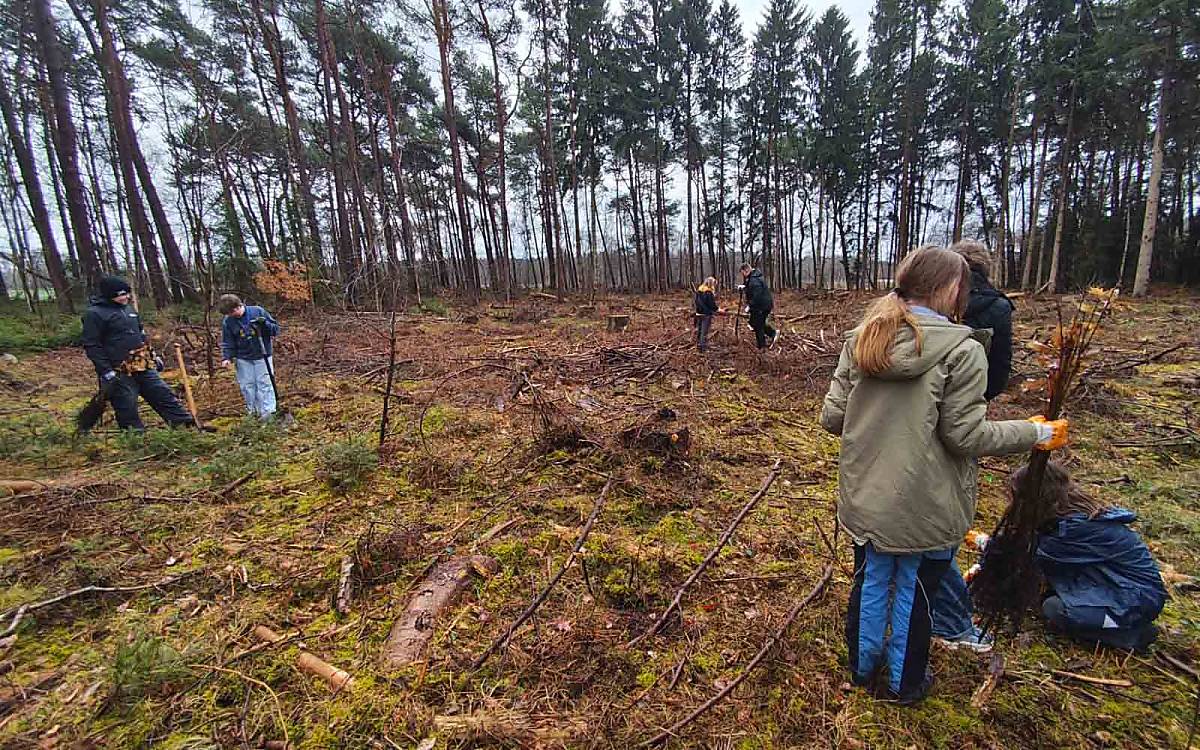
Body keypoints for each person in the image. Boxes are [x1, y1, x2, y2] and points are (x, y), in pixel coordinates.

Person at [820, 245, 1068, 704]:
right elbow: (965, 435)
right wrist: (1032, 433)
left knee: (872, 578)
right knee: (914, 590)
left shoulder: (862, 339)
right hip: (924, 501)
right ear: (953, 289)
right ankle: (902, 685)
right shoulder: (963, 349)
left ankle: (860, 669)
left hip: (866, 494)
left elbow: (833, 419)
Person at [930, 240, 1018, 653]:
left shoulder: (927, 302)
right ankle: (949, 621)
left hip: (921, 419)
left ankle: (940, 614)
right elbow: (998, 377)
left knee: (933, 523)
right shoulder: (997, 309)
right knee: (939, 526)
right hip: (964, 418)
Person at [1027, 461, 1166, 653]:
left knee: (1055, 609)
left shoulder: (1075, 528)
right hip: (1115, 586)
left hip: (1134, 600)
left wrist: (988, 545)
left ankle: (1131, 636)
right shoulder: (1070, 515)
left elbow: (1035, 555)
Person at [80, 275, 196, 431]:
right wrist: (106, 371)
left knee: (161, 392)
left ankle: (183, 423)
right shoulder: (95, 314)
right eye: (120, 295)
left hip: (142, 363)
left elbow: (140, 334)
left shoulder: (129, 309)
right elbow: (92, 344)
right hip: (117, 368)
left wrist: (153, 356)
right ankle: (134, 435)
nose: (125, 297)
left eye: (126, 293)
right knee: (126, 403)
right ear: (109, 296)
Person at [219, 294, 281, 420]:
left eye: (233, 311)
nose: (233, 314)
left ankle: (268, 412)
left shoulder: (257, 311)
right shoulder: (228, 322)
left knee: (264, 383)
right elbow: (228, 341)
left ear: (239, 305)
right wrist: (227, 357)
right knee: (247, 386)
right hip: (243, 358)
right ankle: (253, 412)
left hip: (262, 355)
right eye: (229, 313)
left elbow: (275, 330)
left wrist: (264, 325)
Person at [738, 262, 777, 349]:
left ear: (746, 270)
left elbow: (757, 296)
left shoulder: (754, 280)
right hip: (761, 306)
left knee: (758, 325)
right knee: (754, 322)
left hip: (762, 306)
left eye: (743, 273)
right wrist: (744, 287)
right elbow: (750, 288)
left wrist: (750, 306)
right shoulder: (753, 277)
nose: (743, 275)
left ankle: (762, 346)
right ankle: (772, 333)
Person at [694, 276, 722, 353]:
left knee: (700, 330)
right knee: (704, 331)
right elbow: (712, 305)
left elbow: (696, 302)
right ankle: (703, 349)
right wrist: (718, 309)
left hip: (698, 313)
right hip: (706, 314)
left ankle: (699, 345)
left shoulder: (699, 290)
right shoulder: (708, 292)